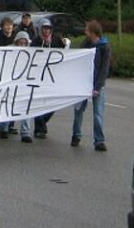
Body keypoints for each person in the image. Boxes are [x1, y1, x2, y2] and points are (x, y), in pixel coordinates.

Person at [71, 20, 111, 151]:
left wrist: (98, 87)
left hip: (97, 84)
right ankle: (76, 135)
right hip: (84, 82)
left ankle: (99, 140)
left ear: (93, 32)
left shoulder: (105, 47)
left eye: (87, 30)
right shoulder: (86, 43)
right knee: (78, 111)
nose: (85, 32)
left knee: (98, 114)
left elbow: (104, 69)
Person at [30, 19, 64, 139]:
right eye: (44, 28)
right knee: (38, 103)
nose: (47, 30)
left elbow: (65, 54)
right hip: (39, 77)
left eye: (49, 28)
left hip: (52, 76)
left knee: (53, 104)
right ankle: (38, 129)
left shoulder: (56, 40)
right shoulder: (36, 42)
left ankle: (43, 123)